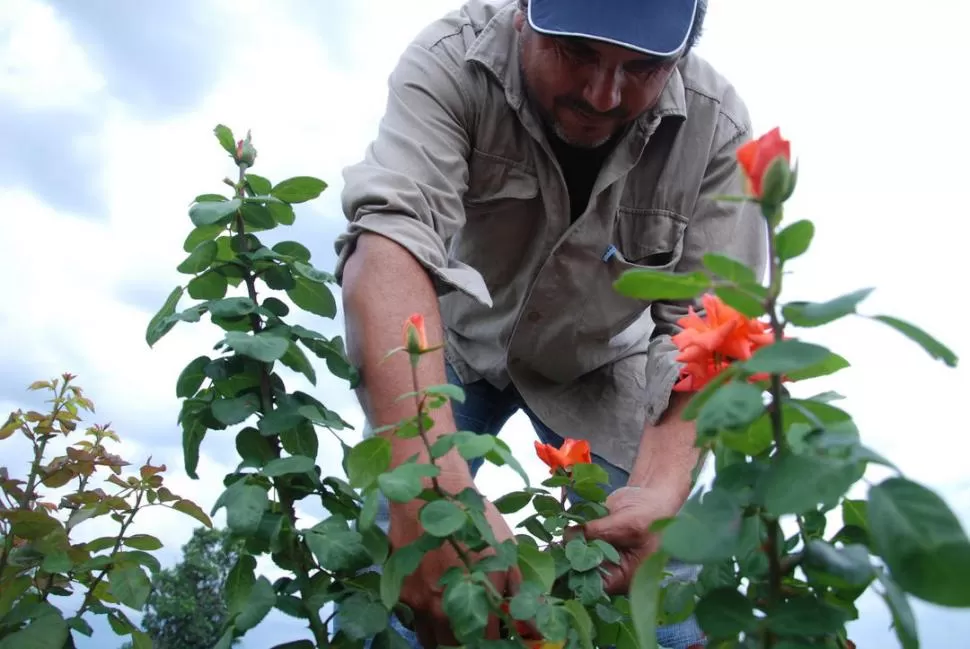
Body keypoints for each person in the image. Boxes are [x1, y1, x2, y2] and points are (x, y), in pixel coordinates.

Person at [333, 0, 767, 647]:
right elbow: (388, 241)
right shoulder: (453, 61)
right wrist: (426, 486)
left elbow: (710, 321)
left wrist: (664, 485)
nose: (602, 94)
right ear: (521, 17)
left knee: (661, 578)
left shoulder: (717, 129)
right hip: (455, 341)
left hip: (598, 358)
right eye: (577, 53)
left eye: (643, 67)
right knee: (386, 557)